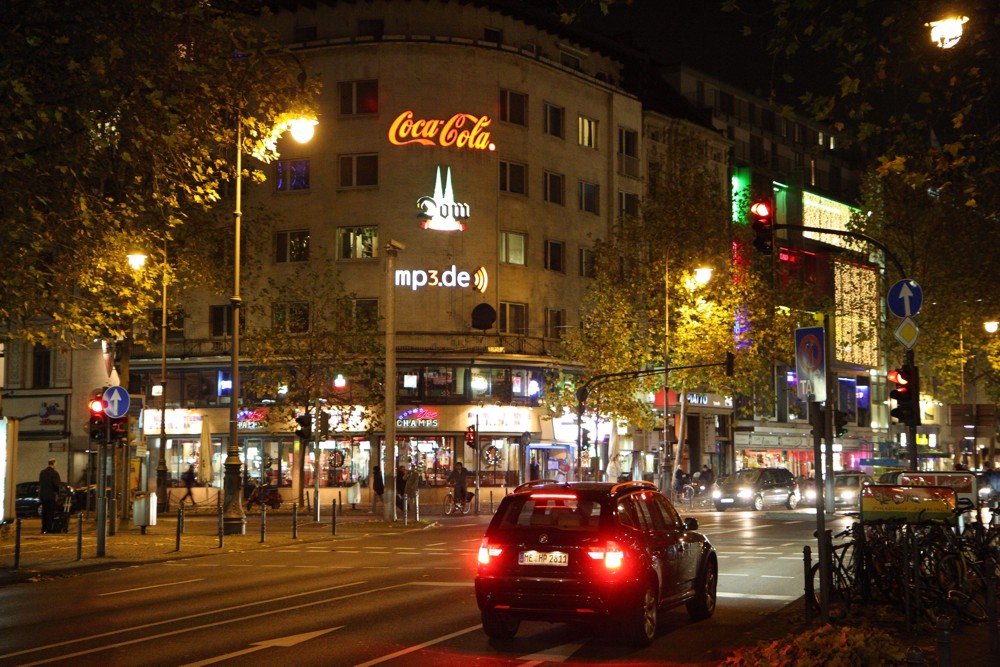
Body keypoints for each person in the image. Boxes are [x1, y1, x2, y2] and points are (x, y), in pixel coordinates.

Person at [38, 458, 62, 534]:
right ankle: (49, 528)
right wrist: (58, 493)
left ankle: (43, 528)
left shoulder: (42, 473)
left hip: (43, 496)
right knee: (50, 513)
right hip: (51, 496)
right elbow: (56, 485)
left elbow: (40, 483)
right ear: (53, 463)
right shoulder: (54, 473)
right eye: (56, 463)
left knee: (44, 512)